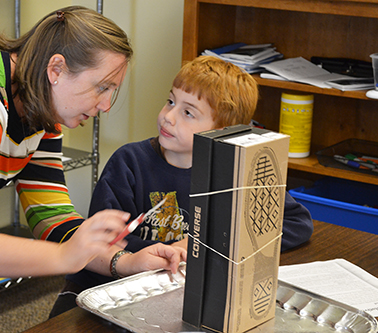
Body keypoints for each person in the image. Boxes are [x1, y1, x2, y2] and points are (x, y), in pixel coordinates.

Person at [0, 6, 186, 333]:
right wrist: (65, 257)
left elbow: (50, 216)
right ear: (56, 69)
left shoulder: (41, 107)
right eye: (102, 87)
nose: (106, 105)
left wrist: (124, 262)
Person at [49, 55, 314, 317]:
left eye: (188, 113)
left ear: (222, 131)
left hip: (174, 295)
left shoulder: (236, 173)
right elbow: (103, 242)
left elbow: (296, 222)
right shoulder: (129, 162)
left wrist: (205, 243)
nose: (168, 117)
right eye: (170, 102)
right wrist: (168, 253)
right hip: (104, 288)